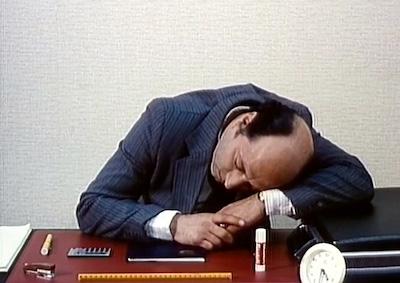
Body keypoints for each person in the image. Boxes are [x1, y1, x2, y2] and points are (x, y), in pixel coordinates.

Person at [76, 84, 373, 250]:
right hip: (160, 258)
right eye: (239, 164)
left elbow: (355, 178)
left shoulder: (294, 131)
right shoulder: (164, 119)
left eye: (252, 184)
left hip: (241, 263)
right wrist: (175, 224)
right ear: (244, 123)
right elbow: (92, 206)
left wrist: (266, 202)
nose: (232, 184)